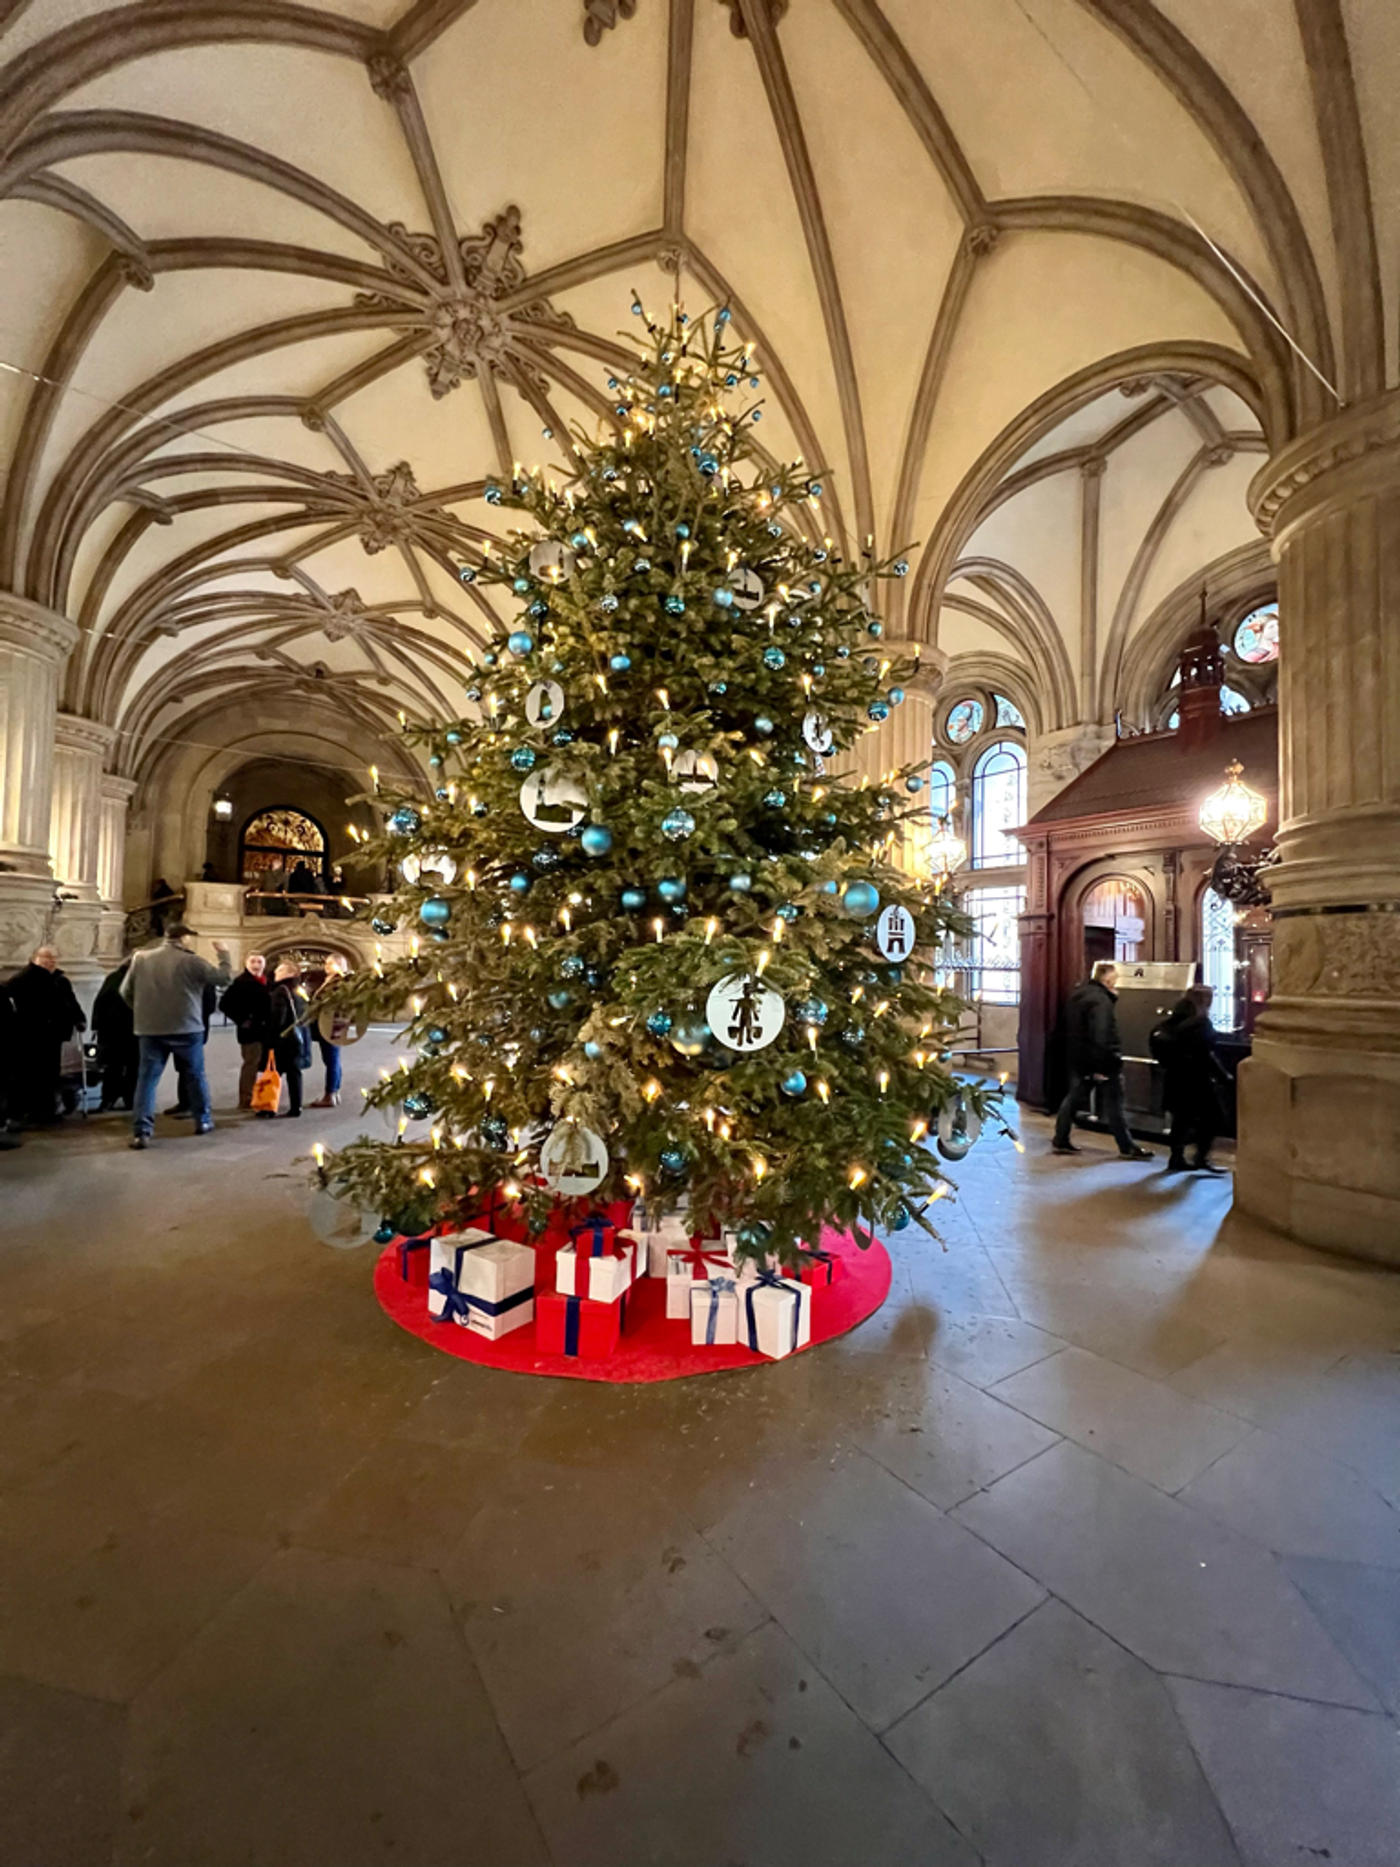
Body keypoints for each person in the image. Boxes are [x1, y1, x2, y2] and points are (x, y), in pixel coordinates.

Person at [121, 922, 232, 1149]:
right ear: (184, 939)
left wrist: (143, 1012)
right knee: (195, 1076)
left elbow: (125, 991)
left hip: (150, 1029)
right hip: (187, 1028)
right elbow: (222, 978)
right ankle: (202, 1120)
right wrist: (224, 953)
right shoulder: (192, 961)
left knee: (147, 1081)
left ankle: (142, 1131)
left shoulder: (141, 958)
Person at [1052, 959, 1153, 1160]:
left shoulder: (1079, 995)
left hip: (1080, 1058)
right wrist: (1105, 1064)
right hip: (1102, 1061)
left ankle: (1061, 1137)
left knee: (1073, 1098)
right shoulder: (1101, 1001)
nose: (1116, 984)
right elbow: (1102, 1034)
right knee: (1115, 1103)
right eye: (1114, 979)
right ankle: (1126, 1147)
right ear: (1106, 979)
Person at [5, 945, 85, 1126]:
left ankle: (46, 1111)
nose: (51, 962)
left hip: (53, 1035)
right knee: (30, 1074)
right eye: (47, 958)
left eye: (54, 958)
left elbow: (70, 1002)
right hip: (30, 1035)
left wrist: (79, 1018)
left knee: (50, 1074)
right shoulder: (22, 980)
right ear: (35, 959)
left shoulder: (60, 980)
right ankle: (30, 1112)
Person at [1155, 985, 1228, 1175]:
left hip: (1175, 1076)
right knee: (1214, 1117)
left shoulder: (1175, 1018)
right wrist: (1223, 1076)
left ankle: (1176, 1157)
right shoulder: (1199, 1022)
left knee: (1181, 1120)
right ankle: (1200, 1157)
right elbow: (1206, 1053)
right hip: (1196, 1079)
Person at [220, 953, 272, 1109]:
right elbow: (224, 1005)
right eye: (253, 961)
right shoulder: (241, 982)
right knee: (251, 1063)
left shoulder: (267, 981)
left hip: (267, 1030)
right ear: (246, 963)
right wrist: (243, 1020)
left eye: (259, 961)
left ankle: (264, 1094)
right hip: (250, 1032)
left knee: (266, 1063)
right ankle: (246, 1098)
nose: (256, 964)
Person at [265, 959, 312, 1118]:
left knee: (274, 1072)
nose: (275, 973)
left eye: (279, 971)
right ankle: (296, 1106)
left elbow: (278, 1018)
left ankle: (269, 1107)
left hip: (283, 1039)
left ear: (289, 973)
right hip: (298, 1037)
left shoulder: (281, 990)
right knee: (294, 1072)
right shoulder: (300, 989)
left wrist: (270, 1037)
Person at [91, 958, 139, 1111]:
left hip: (113, 1031)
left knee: (114, 1068)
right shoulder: (134, 979)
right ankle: (128, 1100)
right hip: (128, 1030)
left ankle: (109, 1100)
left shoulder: (113, 978)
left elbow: (99, 1003)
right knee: (131, 1067)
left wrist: (96, 1027)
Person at [309, 954, 348, 1108]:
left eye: (330, 963)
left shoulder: (339, 982)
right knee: (333, 1059)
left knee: (332, 1059)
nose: (326, 966)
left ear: (339, 965)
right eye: (326, 963)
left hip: (330, 1024)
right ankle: (334, 1092)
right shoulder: (331, 980)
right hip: (330, 1024)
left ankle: (330, 1094)